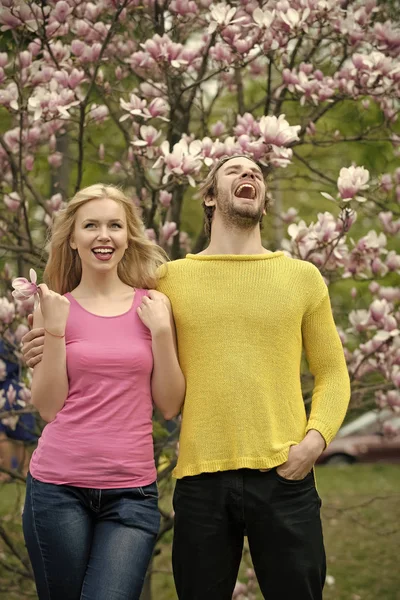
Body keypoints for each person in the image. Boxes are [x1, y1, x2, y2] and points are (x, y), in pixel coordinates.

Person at [23, 156, 350, 600]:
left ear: (265, 201)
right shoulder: (168, 281)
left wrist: (316, 440)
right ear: (210, 196)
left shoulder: (302, 278)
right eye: (234, 170)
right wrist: (44, 343)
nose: (249, 174)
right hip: (201, 481)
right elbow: (107, 310)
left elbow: (332, 371)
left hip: (285, 474)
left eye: (256, 171)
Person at [21, 184, 185, 600]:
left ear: (128, 236)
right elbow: (47, 406)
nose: (103, 235)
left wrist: (162, 334)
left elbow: (168, 405)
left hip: (132, 493)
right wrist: (55, 329)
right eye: (90, 225)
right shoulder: (53, 306)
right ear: (73, 239)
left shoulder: (154, 306)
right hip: (58, 490)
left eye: (115, 225)